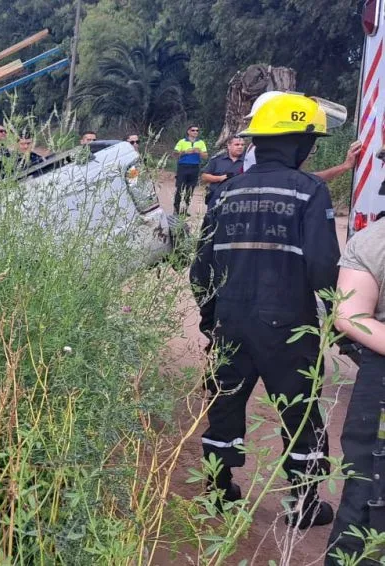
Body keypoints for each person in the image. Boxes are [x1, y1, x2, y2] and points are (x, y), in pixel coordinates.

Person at [190, 92, 340, 528]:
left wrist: (211, 320)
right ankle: (304, 503)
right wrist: (337, 321)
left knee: (224, 404)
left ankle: (219, 492)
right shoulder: (310, 191)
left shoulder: (228, 191)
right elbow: (323, 266)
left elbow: (201, 266)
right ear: (299, 143)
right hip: (289, 325)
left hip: (230, 321)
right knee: (299, 409)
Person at [325, 214, 385, 564]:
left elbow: (348, 313)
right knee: (367, 497)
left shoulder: (373, 238)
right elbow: (348, 313)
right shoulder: (374, 240)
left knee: (365, 499)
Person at [243, 91, 362, 181]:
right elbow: (298, 180)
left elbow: (298, 179)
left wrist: (344, 166)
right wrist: (344, 167)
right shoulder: (266, 151)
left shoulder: (261, 148)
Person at [200, 135, 246, 209]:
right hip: (217, 197)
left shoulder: (248, 161)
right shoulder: (217, 160)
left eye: (242, 145)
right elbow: (204, 177)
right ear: (229, 145)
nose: (240, 147)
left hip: (238, 199)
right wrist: (220, 178)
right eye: (237, 144)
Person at [173, 125, 209, 215]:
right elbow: (174, 154)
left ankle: (185, 210)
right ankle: (176, 209)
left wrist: (199, 152)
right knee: (180, 189)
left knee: (190, 189)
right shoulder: (182, 141)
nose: (195, 132)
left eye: (197, 130)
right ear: (188, 132)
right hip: (183, 167)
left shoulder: (201, 142)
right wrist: (185, 152)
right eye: (193, 130)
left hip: (195, 167)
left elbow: (206, 156)